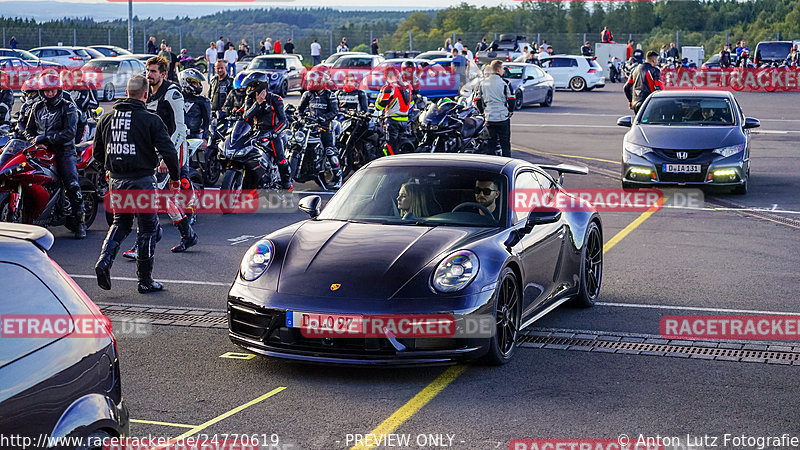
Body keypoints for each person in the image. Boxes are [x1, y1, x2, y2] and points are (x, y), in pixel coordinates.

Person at [93, 75, 182, 294]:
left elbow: (97, 153)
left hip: (116, 180)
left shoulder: (106, 118)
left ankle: (104, 262)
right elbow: (169, 152)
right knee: (148, 229)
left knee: (120, 223)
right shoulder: (150, 119)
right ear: (146, 94)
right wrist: (175, 178)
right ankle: (145, 280)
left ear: (126, 93)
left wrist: (111, 169)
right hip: (142, 181)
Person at [142, 56, 198, 254]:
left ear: (163, 74)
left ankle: (177, 233)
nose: (149, 75)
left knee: (161, 194)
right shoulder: (145, 91)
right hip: (153, 148)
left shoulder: (173, 93)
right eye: (148, 71)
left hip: (174, 147)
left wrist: (168, 156)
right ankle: (185, 234)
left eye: (154, 71)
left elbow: (180, 128)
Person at [24, 70, 84, 238]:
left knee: (72, 183)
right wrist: (34, 139)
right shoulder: (36, 107)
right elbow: (28, 130)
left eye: (53, 90)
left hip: (64, 151)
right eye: (46, 91)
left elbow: (70, 132)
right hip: (41, 150)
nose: (50, 94)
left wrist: (48, 138)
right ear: (41, 91)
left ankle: (80, 222)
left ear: (58, 90)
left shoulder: (68, 107)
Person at [242, 77, 292, 190]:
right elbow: (246, 116)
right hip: (255, 132)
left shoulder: (275, 99)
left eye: (253, 86)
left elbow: (284, 121)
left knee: (281, 160)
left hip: (272, 133)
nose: (251, 89)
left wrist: (273, 133)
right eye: (250, 86)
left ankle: (287, 185)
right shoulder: (249, 99)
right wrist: (257, 103)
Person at [297, 69, 342, 187]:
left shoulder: (329, 95)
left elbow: (335, 112)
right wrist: (301, 119)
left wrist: (323, 118)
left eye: (314, 81)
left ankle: (338, 178)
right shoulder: (307, 94)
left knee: (330, 151)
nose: (311, 83)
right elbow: (299, 110)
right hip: (310, 128)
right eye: (310, 81)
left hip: (326, 128)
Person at [474, 60, 512, 158]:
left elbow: (477, 100)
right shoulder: (505, 83)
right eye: (503, 68)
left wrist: (483, 112)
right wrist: (510, 111)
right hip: (502, 117)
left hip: (489, 117)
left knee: (491, 143)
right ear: (499, 69)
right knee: (505, 144)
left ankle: (492, 165)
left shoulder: (483, 83)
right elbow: (511, 99)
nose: (503, 70)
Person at [375, 66, 411, 156]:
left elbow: (379, 106)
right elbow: (411, 102)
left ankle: (390, 166)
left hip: (392, 121)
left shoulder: (390, 88)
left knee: (389, 147)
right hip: (404, 120)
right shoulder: (407, 86)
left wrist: (380, 95)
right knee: (397, 146)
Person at [179, 69, 211, 157]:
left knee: (197, 164)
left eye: (199, 83)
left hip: (195, 137)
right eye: (195, 83)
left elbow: (207, 121)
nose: (198, 86)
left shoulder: (203, 101)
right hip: (179, 136)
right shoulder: (177, 98)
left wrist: (205, 138)